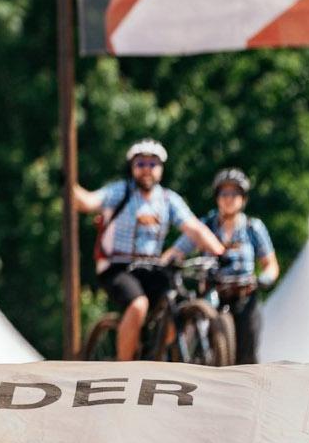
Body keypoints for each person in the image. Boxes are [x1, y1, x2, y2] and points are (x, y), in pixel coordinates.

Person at [74, 138, 226, 362]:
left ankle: (153, 354)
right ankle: (124, 367)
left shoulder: (168, 199)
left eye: (152, 164)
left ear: (161, 169)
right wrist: (69, 185)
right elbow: (88, 202)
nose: (147, 169)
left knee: (176, 306)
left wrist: (220, 253)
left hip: (152, 268)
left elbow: (194, 228)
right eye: (141, 164)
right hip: (117, 267)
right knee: (138, 305)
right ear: (132, 168)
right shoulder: (121, 192)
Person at [163, 167, 279, 364]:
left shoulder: (253, 227)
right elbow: (178, 250)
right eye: (224, 193)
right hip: (212, 294)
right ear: (217, 197)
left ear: (243, 199)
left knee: (247, 355)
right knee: (196, 339)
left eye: (235, 193)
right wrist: (161, 264)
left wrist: (264, 279)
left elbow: (271, 265)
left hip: (245, 296)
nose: (229, 198)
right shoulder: (205, 226)